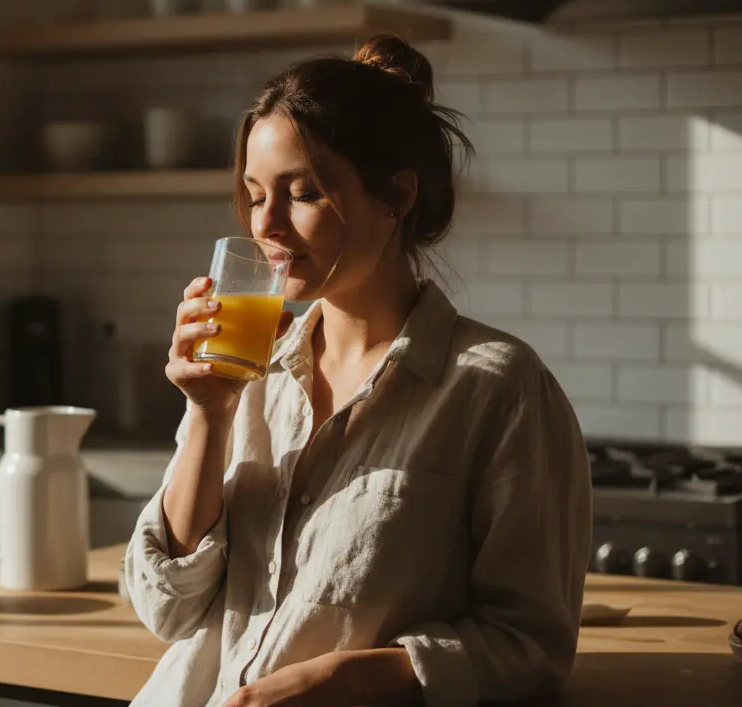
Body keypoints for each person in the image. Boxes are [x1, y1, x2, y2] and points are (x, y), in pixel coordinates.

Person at [123, 35, 593, 707]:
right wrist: (208, 414)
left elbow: (531, 647)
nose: (269, 227)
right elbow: (166, 609)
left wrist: (350, 676)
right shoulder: (248, 375)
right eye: (256, 196)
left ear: (396, 196)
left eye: (303, 193)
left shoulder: (498, 389)